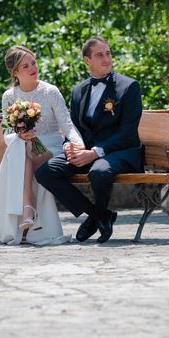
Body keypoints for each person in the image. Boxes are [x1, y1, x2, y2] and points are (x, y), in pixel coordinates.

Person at [36, 37, 143, 243]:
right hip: (85, 151)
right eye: (100, 55)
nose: (106, 59)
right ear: (87, 61)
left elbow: (127, 133)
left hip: (119, 152)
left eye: (108, 53)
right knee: (46, 172)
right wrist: (68, 145)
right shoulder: (79, 90)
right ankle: (98, 215)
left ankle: (98, 216)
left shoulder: (129, 87)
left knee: (99, 172)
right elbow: (72, 126)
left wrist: (94, 153)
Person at [0, 46, 84, 245]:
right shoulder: (9, 96)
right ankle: (28, 209)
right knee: (21, 146)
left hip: (51, 148)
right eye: (25, 66)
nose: (32, 68)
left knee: (22, 150)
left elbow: (66, 124)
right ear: (15, 72)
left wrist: (79, 145)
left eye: (33, 62)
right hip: (23, 148)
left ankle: (27, 209)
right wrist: (22, 134)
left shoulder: (50, 91)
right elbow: (8, 133)